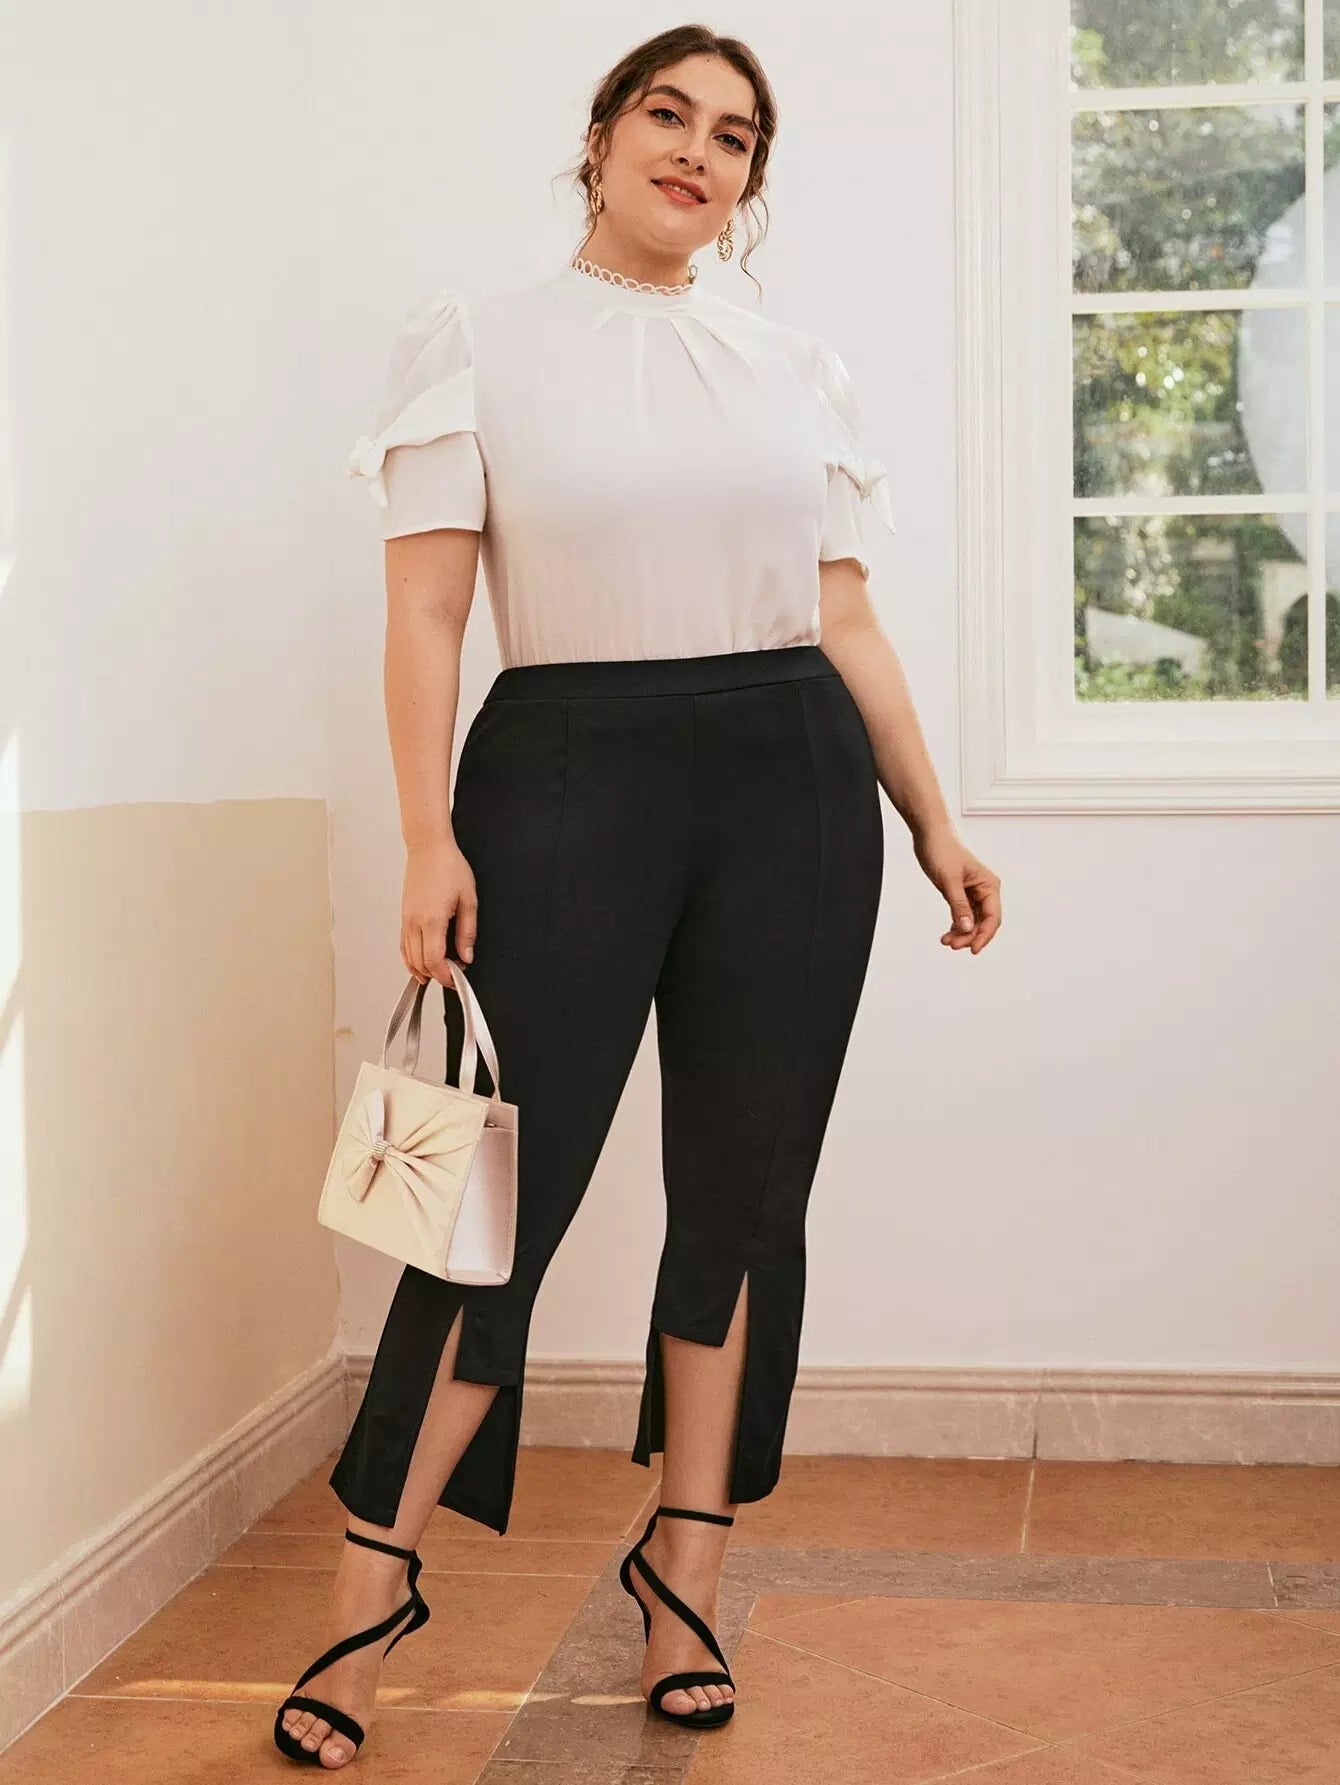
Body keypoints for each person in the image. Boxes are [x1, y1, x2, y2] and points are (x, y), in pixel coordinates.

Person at [275, 22, 1001, 1771]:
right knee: (480, 1194)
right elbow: (429, 611)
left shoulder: (795, 365)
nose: (696, 149)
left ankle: (687, 1568)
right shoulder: (478, 339)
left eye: (734, 135)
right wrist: (427, 833)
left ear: (751, 182)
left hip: (793, 779)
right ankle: (370, 1594)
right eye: (666, 114)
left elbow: (844, 617)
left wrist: (932, 818)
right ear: (599, 138)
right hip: (562, 774)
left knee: (743, 1192)